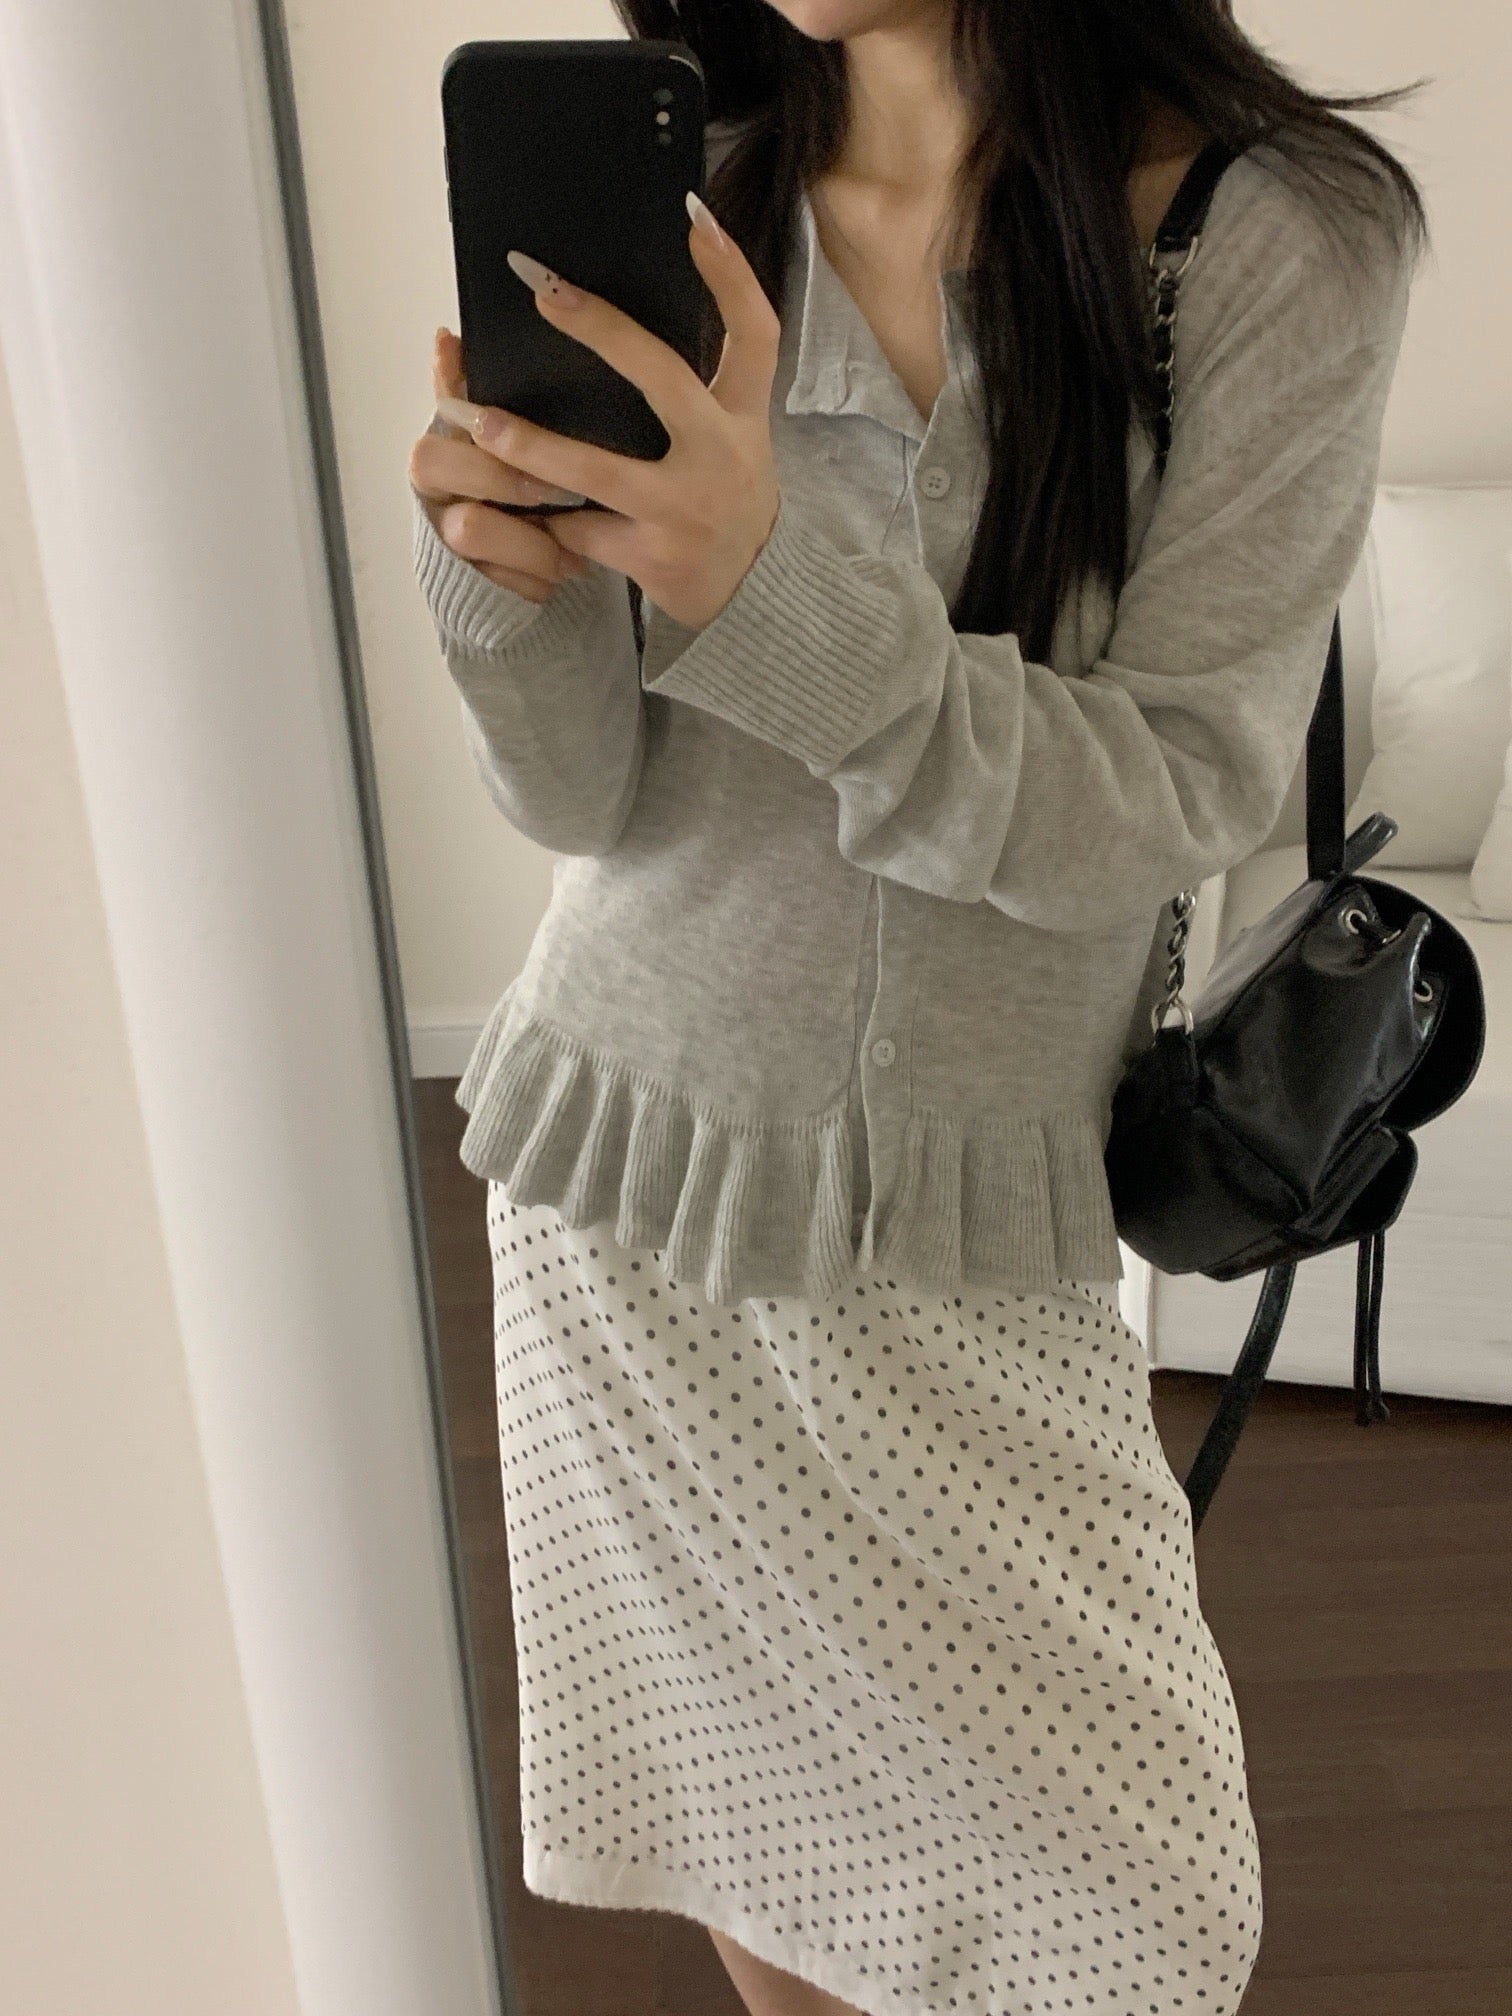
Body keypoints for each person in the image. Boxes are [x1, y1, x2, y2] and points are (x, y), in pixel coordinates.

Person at [407, 5, 1425, 2012]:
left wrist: (763, 582)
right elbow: (586, 798)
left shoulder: (1274, 231)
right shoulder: (698, 196)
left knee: (1136, 1929)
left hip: (962, 1221)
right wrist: (490, 584)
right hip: (619, 1192)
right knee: (760, 1847)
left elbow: (1168, 798)